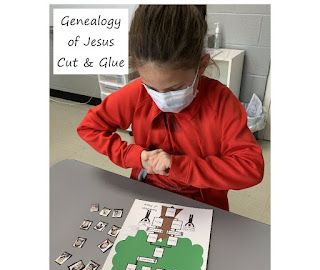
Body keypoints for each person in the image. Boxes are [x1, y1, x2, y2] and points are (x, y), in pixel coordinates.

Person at [77, 5, 264, 211]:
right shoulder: (136, 92)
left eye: (175, 88)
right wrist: (134, 155)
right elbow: (89, 127)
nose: (162, 98)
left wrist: (179, 166)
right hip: (145, 191)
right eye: (151, 87)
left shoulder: (221, 102)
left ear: (201, 66)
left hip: (202, 203)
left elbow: (251, 169)